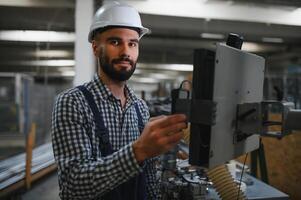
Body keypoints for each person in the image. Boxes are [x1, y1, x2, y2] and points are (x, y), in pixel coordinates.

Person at [51, 1, 187, 200]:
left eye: (132, 43)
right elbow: (73, 185)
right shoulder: (72, 103)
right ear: (96, 48)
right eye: (115, 42)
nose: (125, 52)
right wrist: (138, 151)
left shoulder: (140, 108)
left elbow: (149, 179)